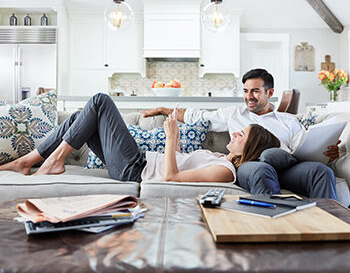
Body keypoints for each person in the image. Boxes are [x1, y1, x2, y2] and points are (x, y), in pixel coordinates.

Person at [142, 68, 339, 199]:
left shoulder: (288, 121)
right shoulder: (234, 114)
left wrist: (325, 151)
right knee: (262, 170)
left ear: (269, 93)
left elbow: (302, 147)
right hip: (250, 165)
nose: (248, 97)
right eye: (245, 91)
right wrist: (164, 110)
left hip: (286, 168)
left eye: (254, 91)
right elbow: (198, 116)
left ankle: (332, 229)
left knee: (321, 172)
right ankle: (270, 227)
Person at [0, 93, 280, 184]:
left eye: (241, 134)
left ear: (250, 147)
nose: (235, 133)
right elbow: (182, 166)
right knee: (77, 118)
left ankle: (51, 161)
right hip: (137, 162)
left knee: (100, 101)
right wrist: (178, 142)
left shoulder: (225, 171)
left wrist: (170, 138)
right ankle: (27, 162)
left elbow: (170, 178)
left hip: (134, 170)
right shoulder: (220, 158)